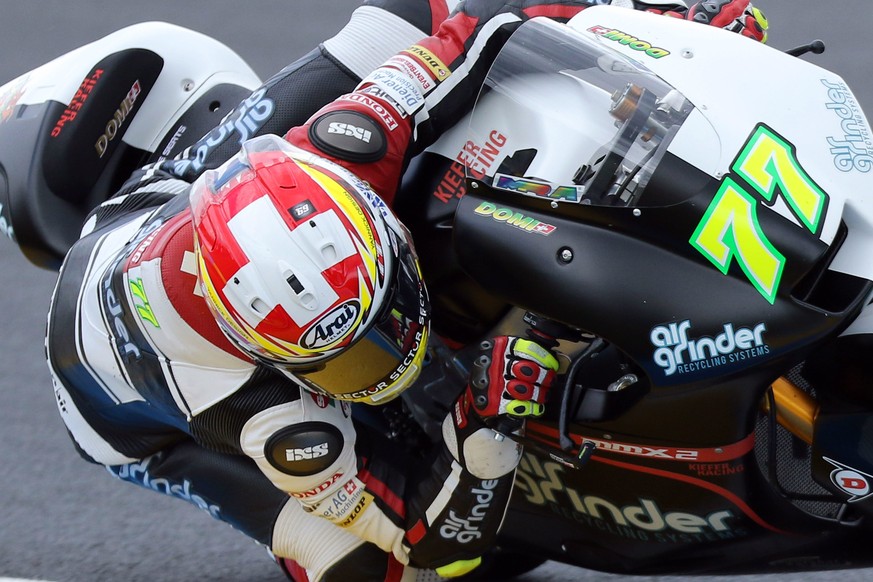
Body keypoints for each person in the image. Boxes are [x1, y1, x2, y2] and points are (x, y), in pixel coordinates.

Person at [43, 1, 768, 581]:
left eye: (386, 312)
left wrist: (664, 27)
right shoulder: (259, 409)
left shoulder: (338, 147)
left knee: (399, 23)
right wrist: (489, 430)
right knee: (380, 572)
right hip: (138, 422)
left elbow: (479, 25)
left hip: (155, 208)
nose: (400, 355)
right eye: (348, 362)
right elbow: (432, 543)